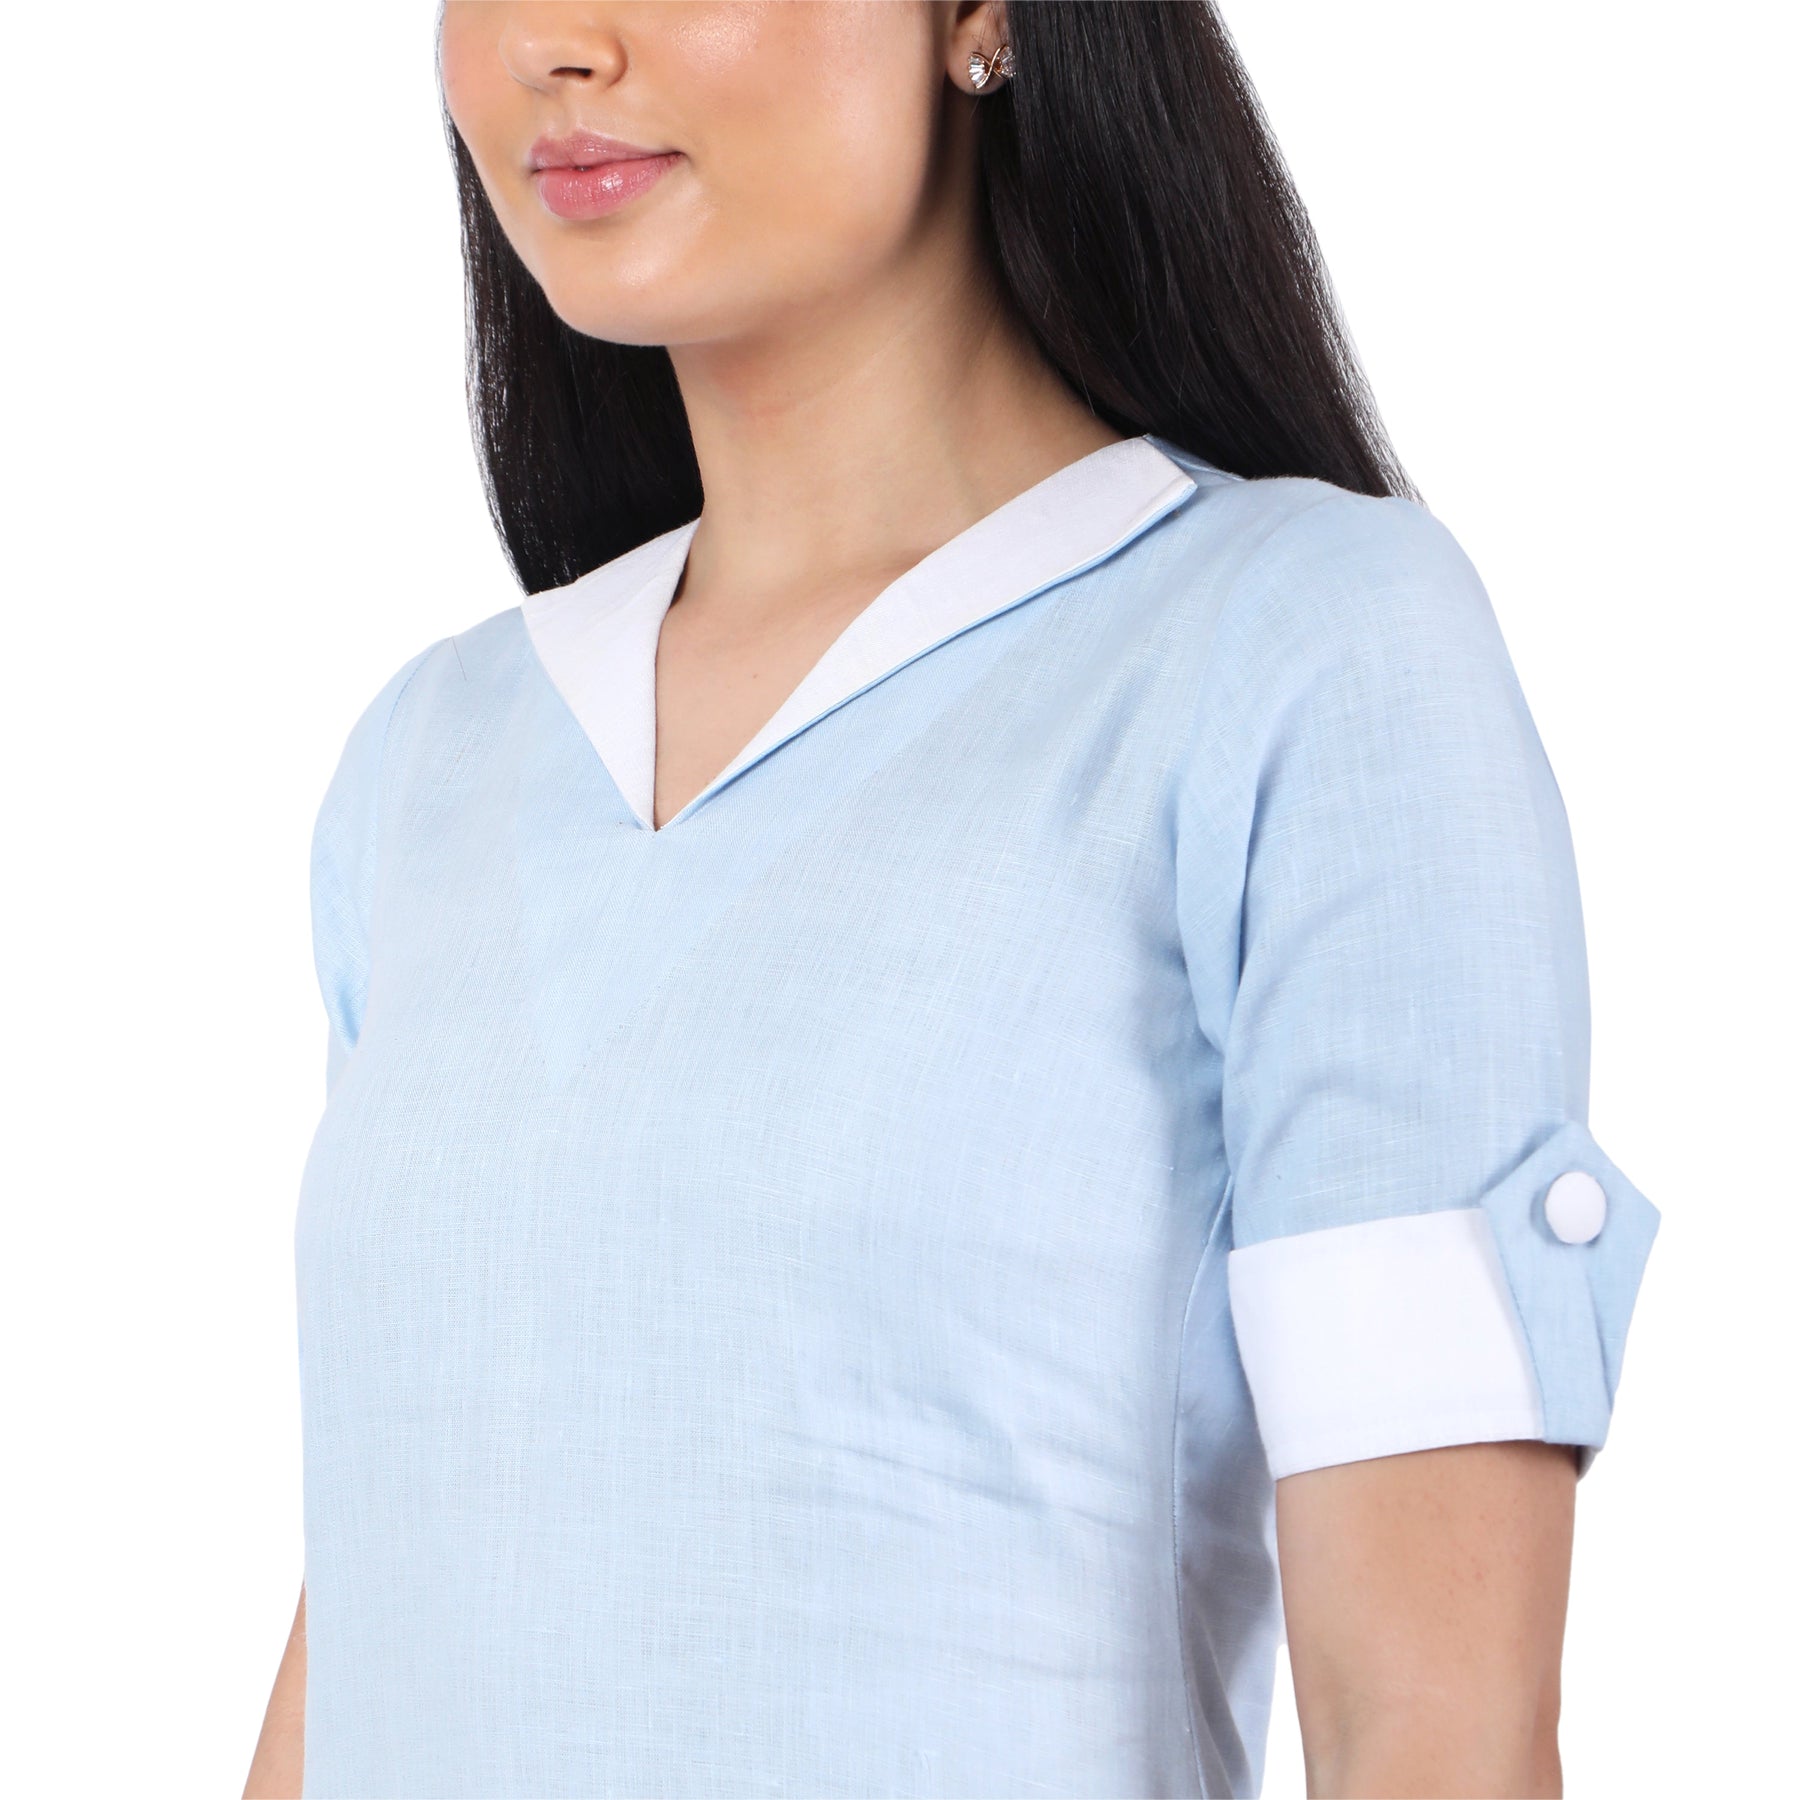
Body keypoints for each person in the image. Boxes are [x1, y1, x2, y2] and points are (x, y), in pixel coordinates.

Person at [244, 4, 1661, 1796]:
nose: (554, 43)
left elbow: (1434, 1733)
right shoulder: (437, 752)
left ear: (980, 15)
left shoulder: (1296, 651)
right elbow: (384, 1599)